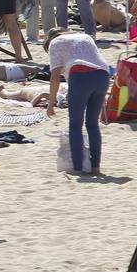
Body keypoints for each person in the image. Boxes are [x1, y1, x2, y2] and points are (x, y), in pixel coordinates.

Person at [46, 28, 111, 175]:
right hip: (103, 75)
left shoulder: (54, 43)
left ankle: (77, 168)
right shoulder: (85, 36)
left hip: (81, 77)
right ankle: (96, 167)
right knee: (92, 124)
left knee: (75, 125)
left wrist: (51, 104)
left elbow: (55, 77)